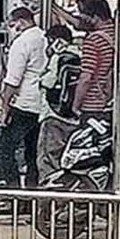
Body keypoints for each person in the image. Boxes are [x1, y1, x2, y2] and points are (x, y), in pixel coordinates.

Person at [0, 7, 47, 188]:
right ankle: (32, 192)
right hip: (42, 104)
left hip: (24, 104)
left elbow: (13, 80)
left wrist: (4, 109)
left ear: (22, 22)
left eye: (13, 25)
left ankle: (14, 190)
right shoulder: (44, 37)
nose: (12, 29)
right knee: (32, 152)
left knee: (4, 148)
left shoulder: (22, 42)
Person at [52, 0, 115, 126]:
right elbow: (77, 23)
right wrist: (55, 7)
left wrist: (75, 106)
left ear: (94, 17)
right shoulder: (115, 32)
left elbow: (86, 77)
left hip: (93, 105)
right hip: (110, 102)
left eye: (82, 15)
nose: (79, 19)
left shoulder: (93, 40)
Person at [36, 25, 82, 180]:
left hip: (54, 113)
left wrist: (42, 76)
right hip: (74, 115)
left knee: (49, 156)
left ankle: (49, 188)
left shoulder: (58, 57)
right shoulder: (80, 54)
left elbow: (48, 82)